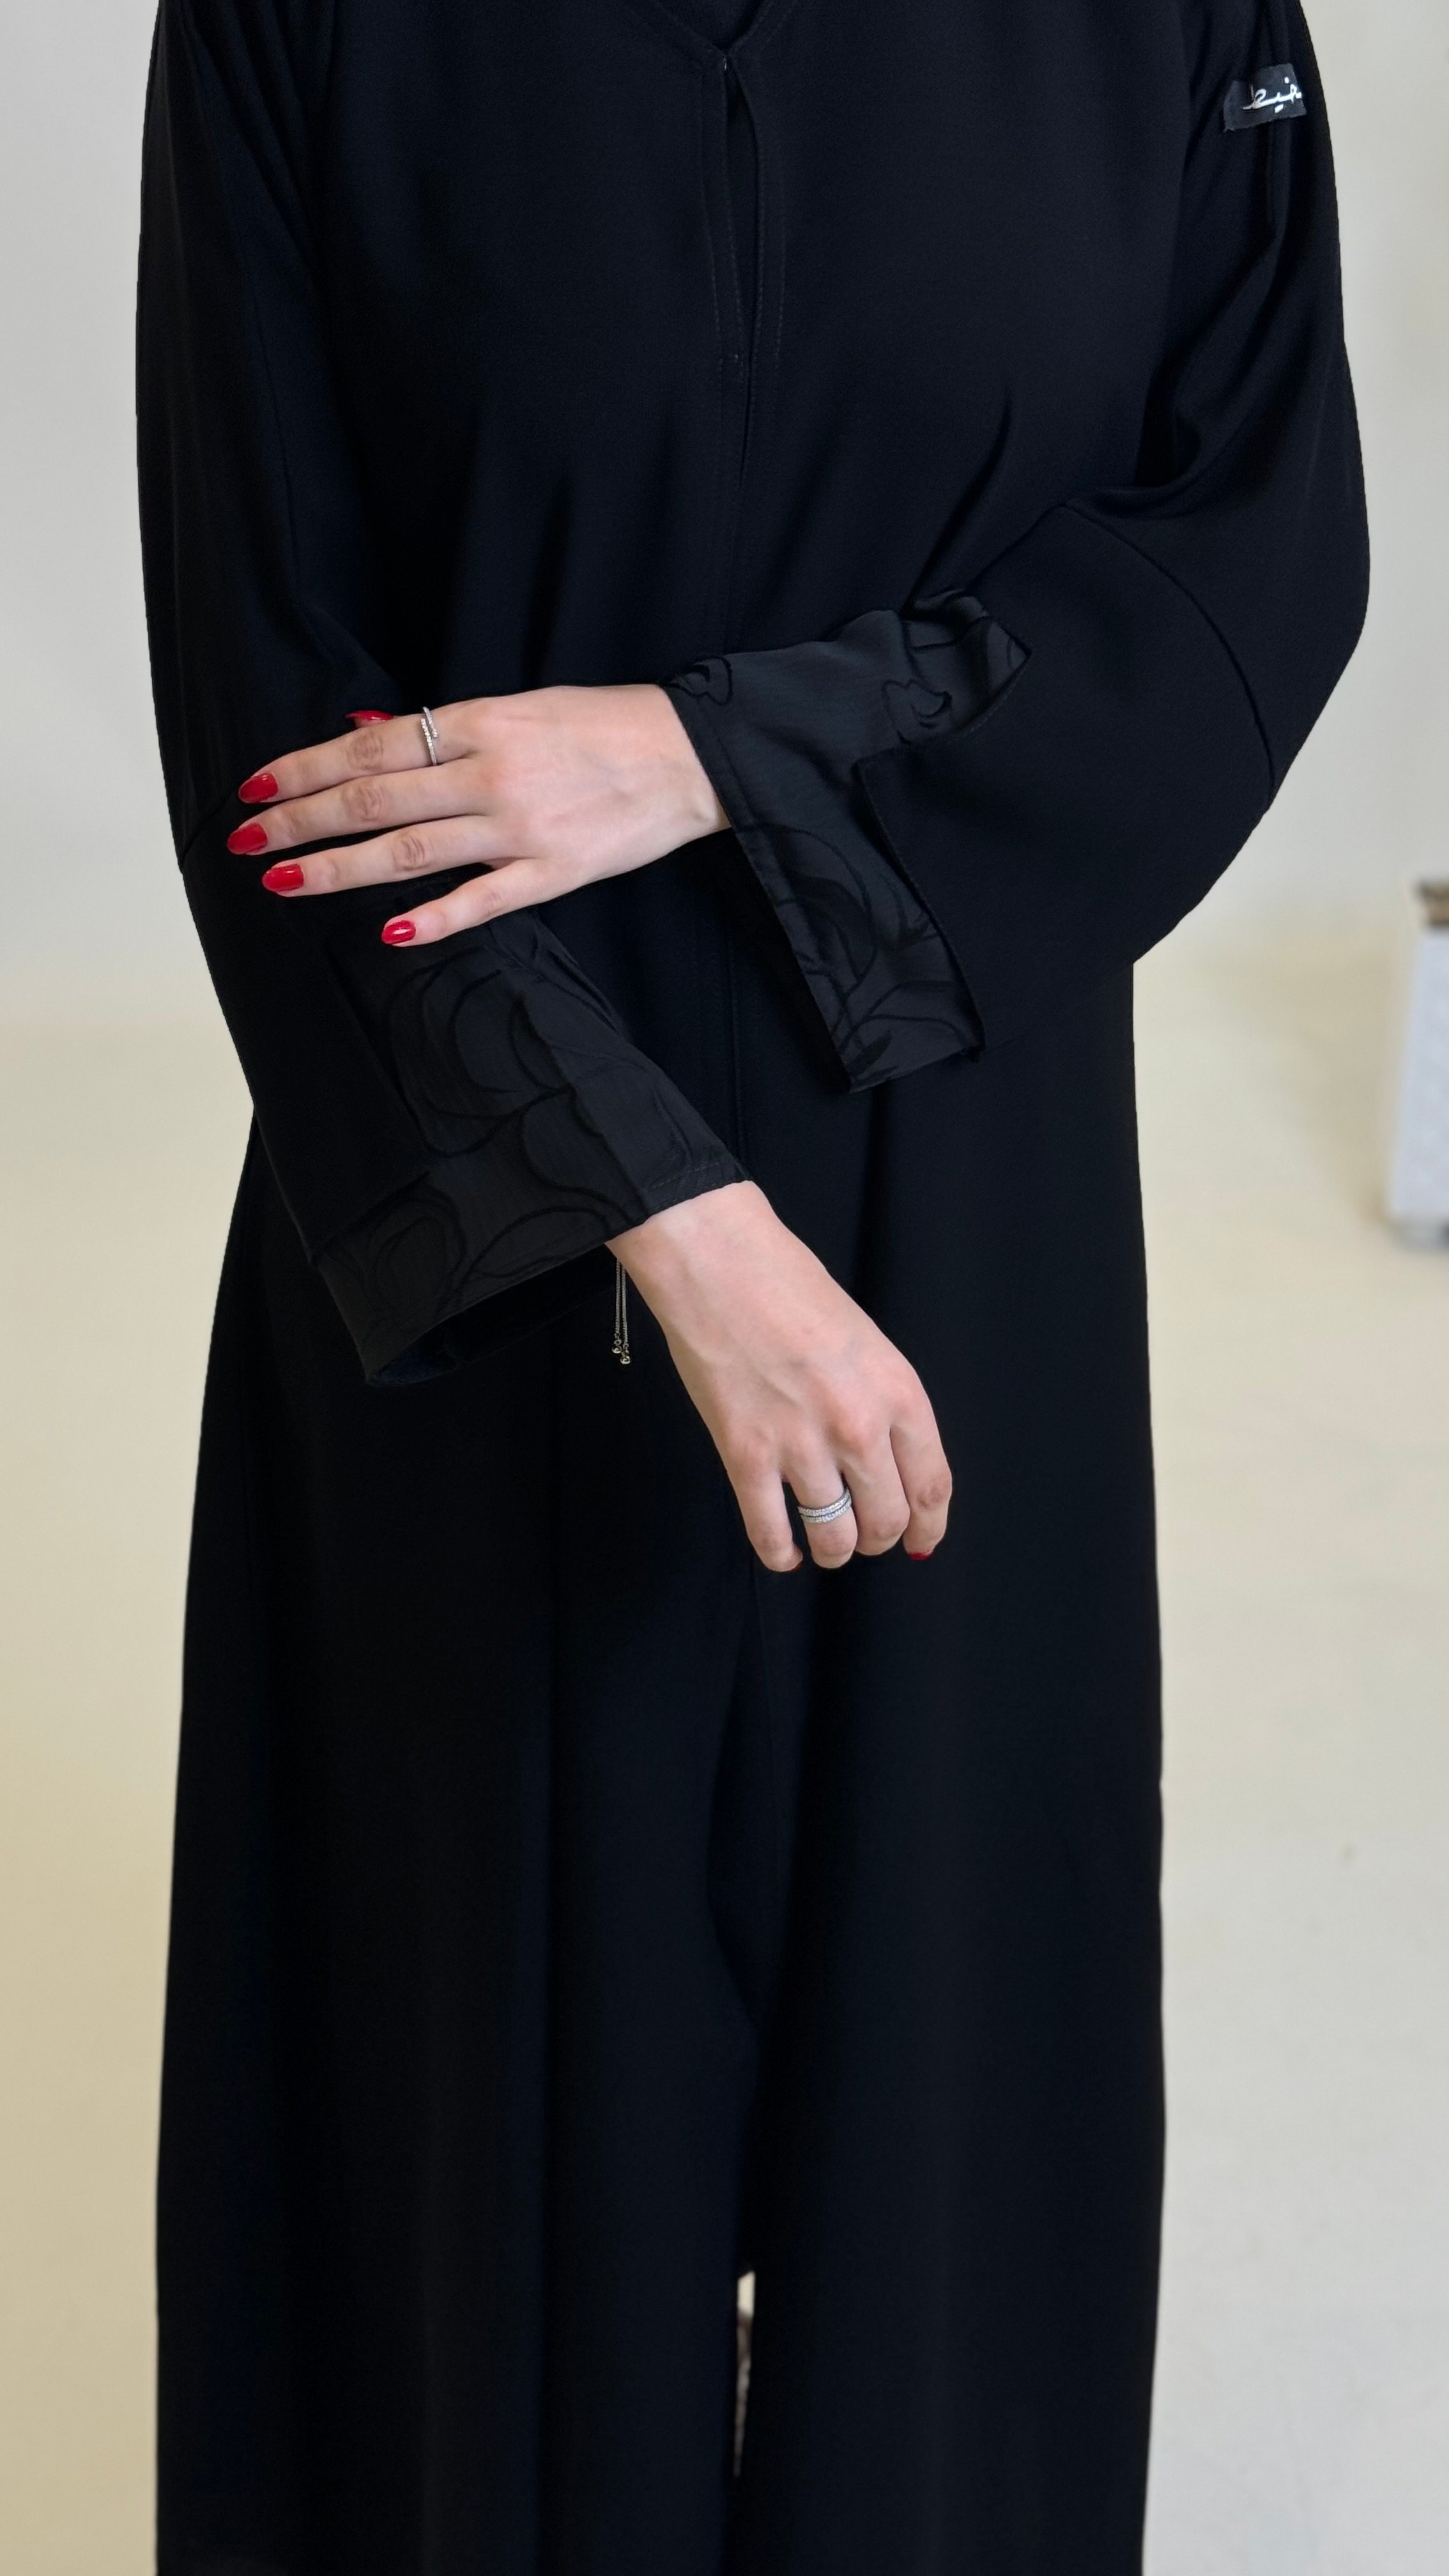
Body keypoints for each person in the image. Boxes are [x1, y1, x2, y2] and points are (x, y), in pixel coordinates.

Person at [136, 1, 1367, 2568]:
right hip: (479, 1164)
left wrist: (712, 743)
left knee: (937, 2094)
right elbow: (277, 690)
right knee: (473, 2138)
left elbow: (1245, 555)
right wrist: (671, 1218)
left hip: (966, 1164)